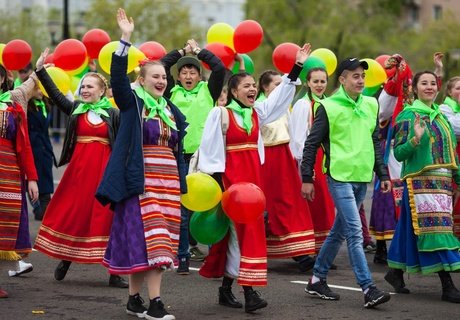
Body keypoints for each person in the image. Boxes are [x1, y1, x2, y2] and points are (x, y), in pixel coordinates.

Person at [198, 44, 310, 313]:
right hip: (232, 184)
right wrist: (216, 185)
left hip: (253, 184)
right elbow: (210, 151)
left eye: (253, 86)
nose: (251, 89)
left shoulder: (257, 112)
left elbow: (279, 98)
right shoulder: (220, 114)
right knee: (243, 235)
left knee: (244, 235)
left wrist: (296, 67)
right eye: (246, 85)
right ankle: (249, 292)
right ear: (234, 91)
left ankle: (227, 289)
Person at [95, 9, 188, 320]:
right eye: (155, 77)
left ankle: (134, 299)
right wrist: (125, 39)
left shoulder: (171, 111)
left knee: (144, 243)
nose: (161, 81)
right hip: (142, 180)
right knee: (155, 240)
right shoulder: (133, 104)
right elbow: (118, 79)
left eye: (164, 77)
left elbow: (177, 149)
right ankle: (156, 304)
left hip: (170, 183)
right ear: (142, 80)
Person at [301, 58, 392, 308]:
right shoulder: (327, 106)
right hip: (339, 176)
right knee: (354, 232)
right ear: (342, 80)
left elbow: (374, 141)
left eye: (362, 75)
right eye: (355, 76)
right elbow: (311, 143)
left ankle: (317, 278)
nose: (361, 79)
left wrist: (382, 174)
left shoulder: (371, 104)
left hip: (362, 176)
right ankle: (368, 288)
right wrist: (306, 177)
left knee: (339, 231)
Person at [33, 49, 127, 288]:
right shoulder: (76, 110)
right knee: (76, 215)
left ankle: (114, 272)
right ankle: (66, 258)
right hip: (79, 174)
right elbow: (55, 95)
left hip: (105, 173)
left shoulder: (114, 114)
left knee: (108, 218)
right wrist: (41, 70)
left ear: (102, 91)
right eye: (83, 86)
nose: (84, 89)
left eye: (90, 86)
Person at [385, 71, 460, 303]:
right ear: (415, 88)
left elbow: (450, 152)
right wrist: (415, 139)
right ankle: (448, 286)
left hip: (443, 183)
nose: (429, 87)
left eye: (432, 83)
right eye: (424, 83)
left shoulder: (441, 116)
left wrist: (457, 176)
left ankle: (394, 273)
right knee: (437, 232)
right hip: (420, 183)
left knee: (410, 229)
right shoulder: (409, 116)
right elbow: (398, 152)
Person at [161, 37, 225, 273]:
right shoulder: (170, 93)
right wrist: (180, 52)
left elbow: (218, 67)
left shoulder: (209, 91)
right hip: (179, 156)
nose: (188, 76)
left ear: (199, 76)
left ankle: (215, 257)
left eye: (193, 72)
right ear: (178, 77)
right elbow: (162, 64)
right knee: (184, 208)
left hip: (206, 157)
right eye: (184, 72)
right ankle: (183, 257)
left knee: (211, 205)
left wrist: (199, 52)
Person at [256, 70, 316, 272]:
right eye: (275, 85)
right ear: (265, 87)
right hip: (268, 163)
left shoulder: (283, 108)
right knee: (272, 206)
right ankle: (291, 254)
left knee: (291, 203)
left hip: (285, 160)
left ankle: (298, 250)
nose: (280, 89)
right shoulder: (260, 108)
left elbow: (291, 132)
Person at [0, 64, 39, 298]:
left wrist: (32, 178)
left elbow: (23, 146)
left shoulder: (13, 108)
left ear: (3, 79)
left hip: (8, 174)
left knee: (2, 226)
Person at [290, 67, 335, 261]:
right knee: (314, 203)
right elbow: (298, 136)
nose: (319, 85)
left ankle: (324, 251)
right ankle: (312, 249)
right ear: (308, 83)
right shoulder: (303, 105)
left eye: (322, 81)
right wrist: (303, 167)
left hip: (328, 157)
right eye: (315, 81)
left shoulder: (330, 103)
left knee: (327, 203)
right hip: (312, 157)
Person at [440, 75, 460, 238]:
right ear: (449, 92)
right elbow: (455, 129)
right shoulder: (444, 109)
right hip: (454, 156)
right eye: (458, 88)